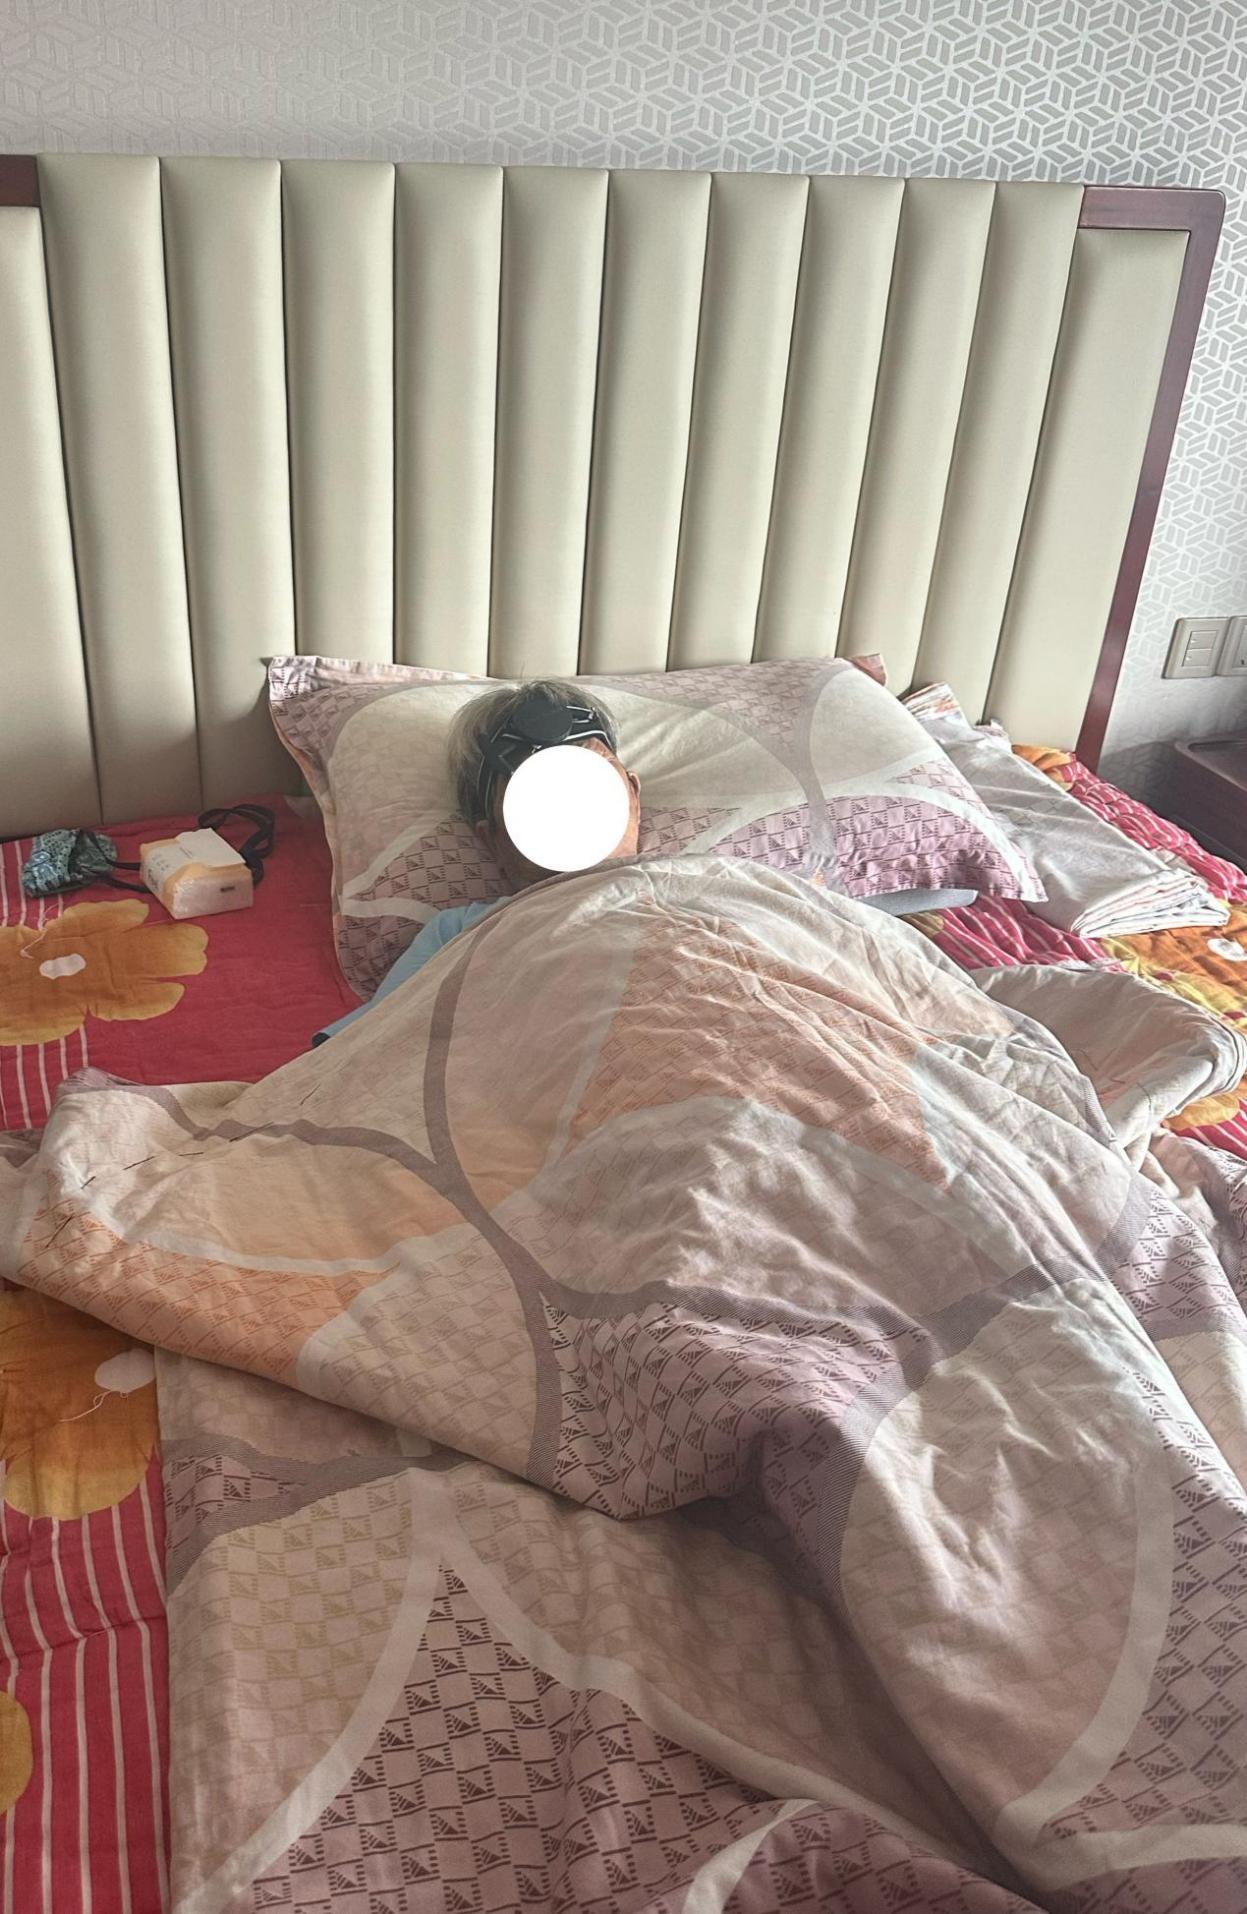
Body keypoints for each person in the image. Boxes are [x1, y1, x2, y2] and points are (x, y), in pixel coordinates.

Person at [313, 680, 640, 1044]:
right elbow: (368, 1043)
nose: (571, 813)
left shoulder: (690, 882)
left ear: (633, 796)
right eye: (538, 801)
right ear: (493, 839)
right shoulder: (459, 932)